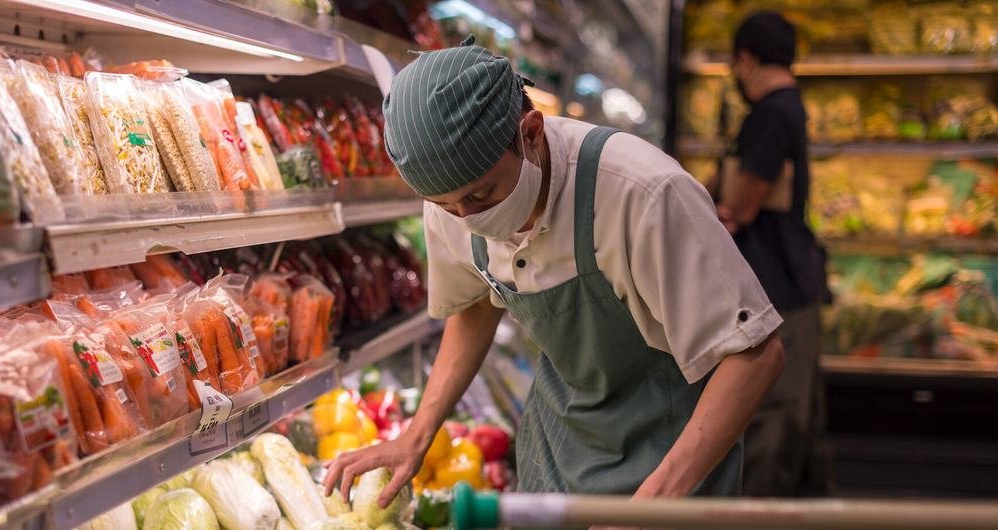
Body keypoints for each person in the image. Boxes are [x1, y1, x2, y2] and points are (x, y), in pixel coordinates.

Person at [324, 35, 784, 507]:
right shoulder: (450, 196)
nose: (466, 218)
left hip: (670, 454)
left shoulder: (643, 194)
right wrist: (416, 435)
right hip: (559, 449)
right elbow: (477, 303)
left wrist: (655, 504)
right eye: (444, 205)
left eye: (482, 196)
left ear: (531, 133)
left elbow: (755, 355)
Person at [714, 11, 831, 497]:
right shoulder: (793, 107)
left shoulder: (769, 114)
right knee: (800, 414)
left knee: (774, 414)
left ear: (745, 59)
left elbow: (742, 202)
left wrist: (721, 209)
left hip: (776, 287)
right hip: (793, 279)